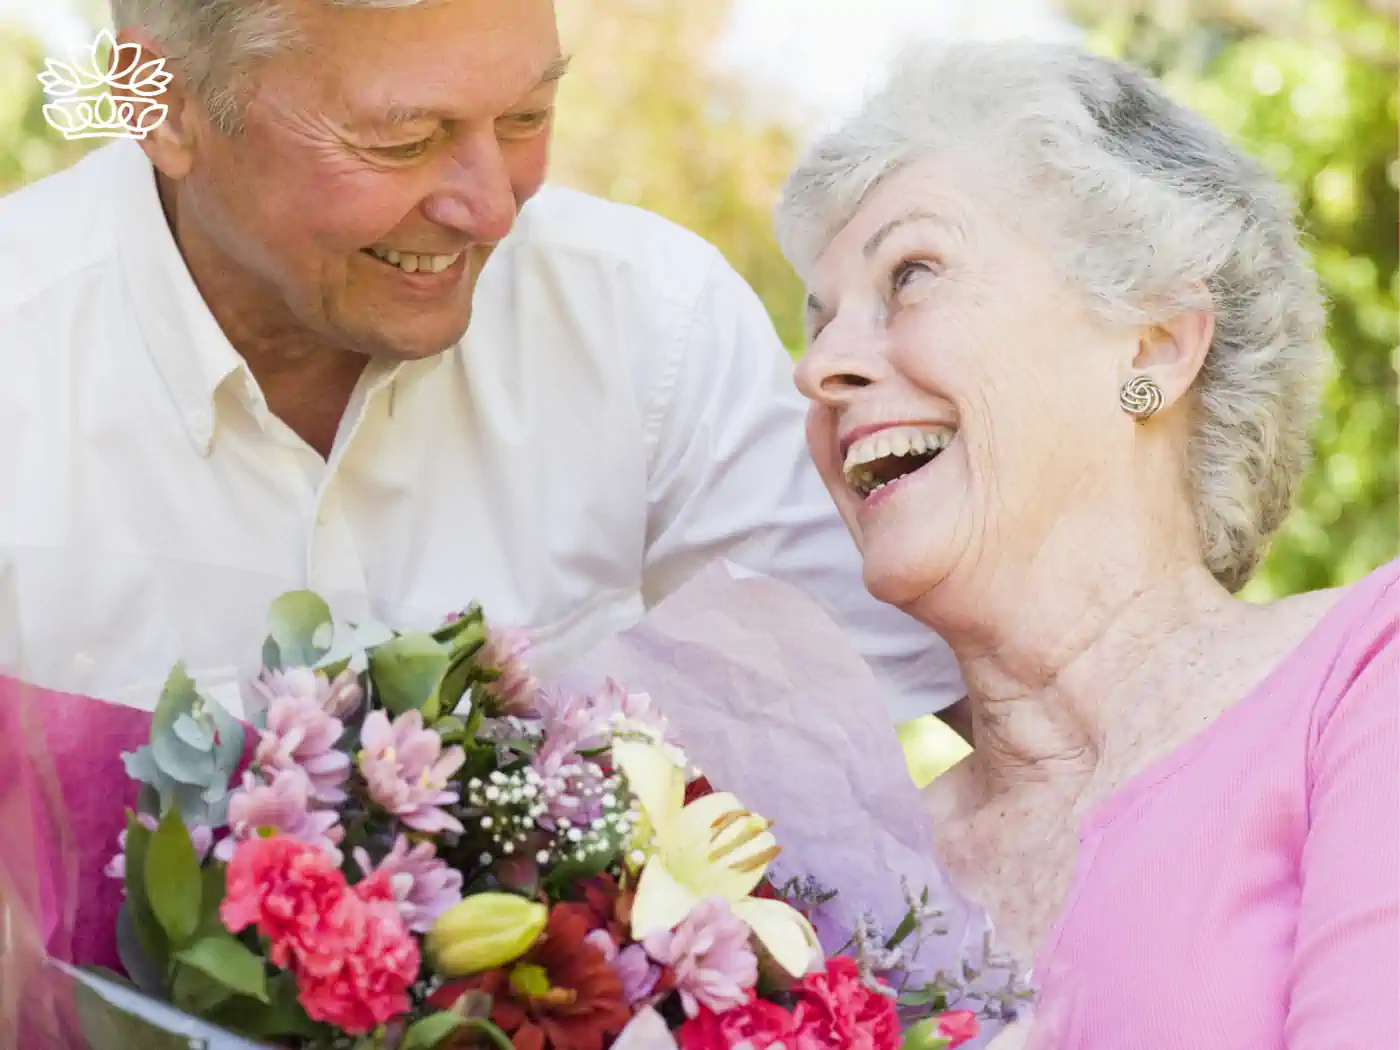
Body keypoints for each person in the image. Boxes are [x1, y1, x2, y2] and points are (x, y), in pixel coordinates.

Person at [0, 0, 965, 729]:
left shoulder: (651, 319)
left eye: (525, 119)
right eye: (405, 141)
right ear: (165, 108)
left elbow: (944, 701)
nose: (493, 211)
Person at [778, 38, 1398, 1050]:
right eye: (819, 324)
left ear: (1152, 346)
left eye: (911, 274)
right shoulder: (826, 892)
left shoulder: (1368, 677)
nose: (819, 370)